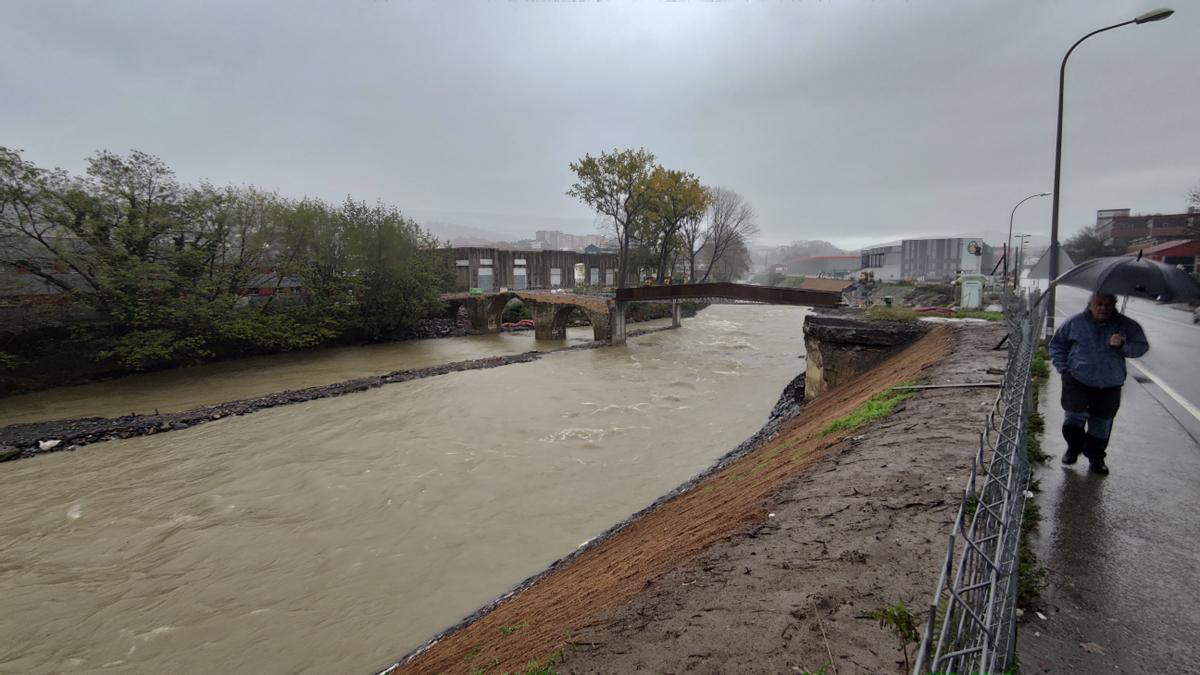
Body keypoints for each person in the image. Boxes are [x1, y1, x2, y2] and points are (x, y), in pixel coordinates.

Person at [1049, 292, 1149, 475]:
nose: (1103, 308)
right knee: (1073, 418)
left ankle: (1096, 458)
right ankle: (1074, 448)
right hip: (1077, 378)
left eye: (1108, 305)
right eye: (1099, 304)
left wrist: (1122, 345)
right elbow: (1057, 345)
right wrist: (1064, 369)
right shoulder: (1075, 323)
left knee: (1101, 424)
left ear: (1114, 305)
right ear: (1090, 305)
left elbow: (1141, 347)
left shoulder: (1125, 326)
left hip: (1109, 382)